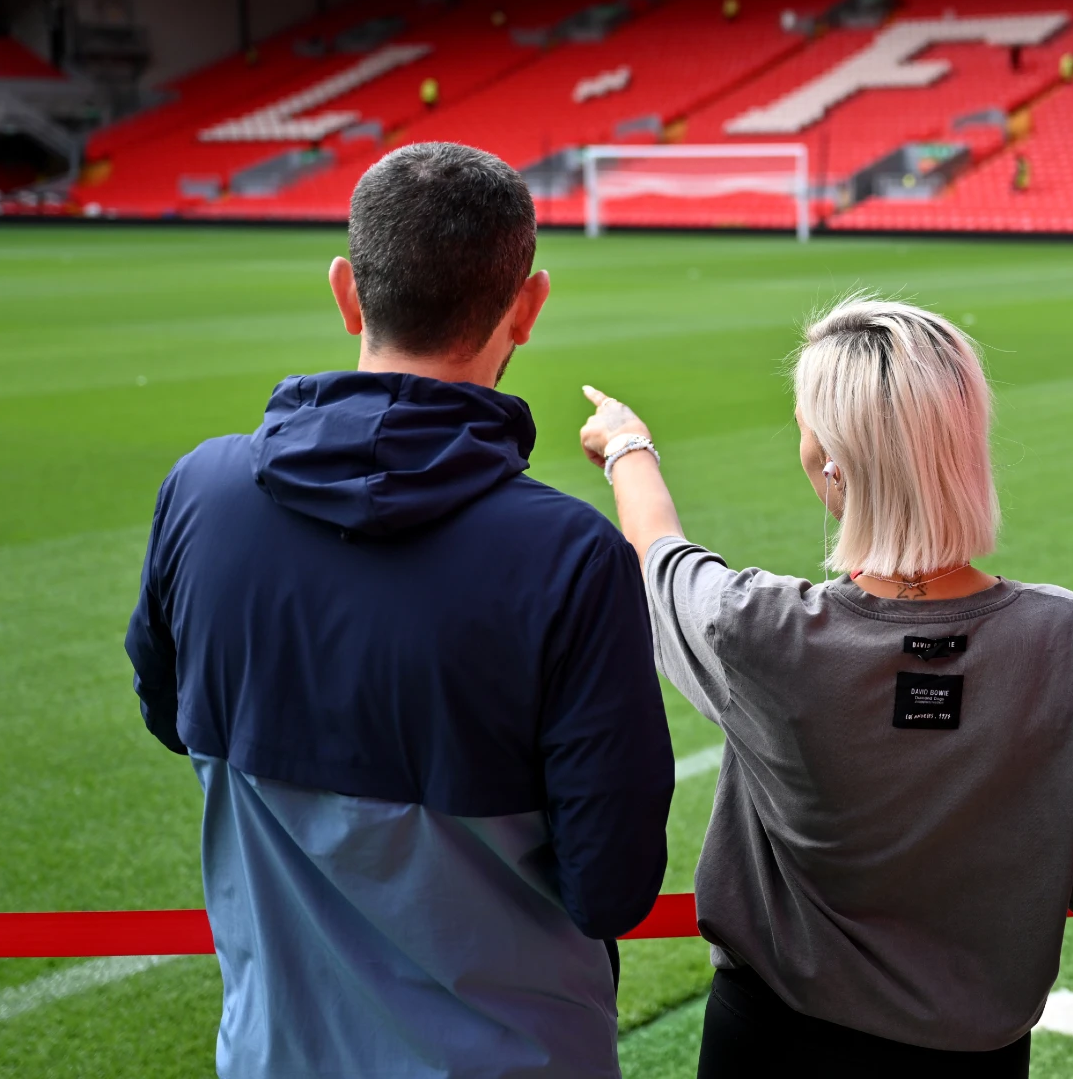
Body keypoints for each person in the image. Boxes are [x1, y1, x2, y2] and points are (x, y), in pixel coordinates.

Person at [125, 142, 675, 1079]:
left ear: (347, 292)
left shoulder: (200, 493)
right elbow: (611, 887)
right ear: (528, 307)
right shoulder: (571, 557)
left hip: (272, 1055)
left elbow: (170, 716)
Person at [578, 297, 1073, 1078]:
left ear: (832, 460)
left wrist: (628, 446)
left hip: (773, 1048)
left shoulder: (762, 630)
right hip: (980, 1059)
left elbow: (659, 557)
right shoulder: (1063, 636)